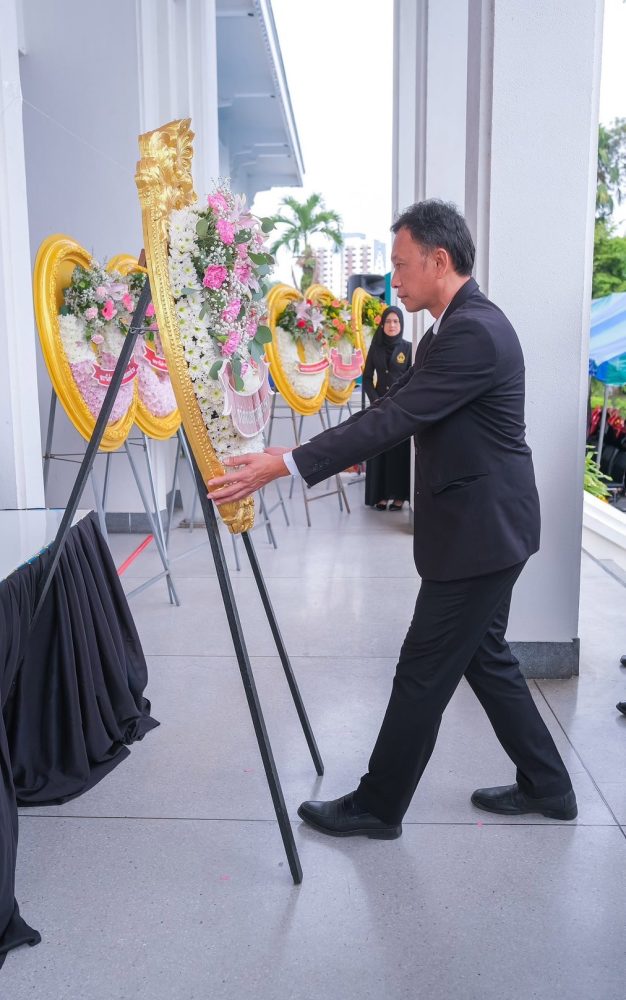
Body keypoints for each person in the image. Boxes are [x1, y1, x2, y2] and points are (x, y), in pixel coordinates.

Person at [207, 199, 577, 839]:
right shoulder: (445, 330)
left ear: (440, 260)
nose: (394, 281)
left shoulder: (473, 332)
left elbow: (397, 418)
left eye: (402, 266)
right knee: (485, 657)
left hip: (482, 533)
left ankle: (378, 806)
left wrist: (287, 466)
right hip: (489, 526)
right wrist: (295, 452)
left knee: (422, 670)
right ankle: (549, 786)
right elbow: (391, 408)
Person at [363, 306, 412, 511]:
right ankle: (380, 496)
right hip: (378, 408)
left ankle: (399, 496)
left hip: (400, 409)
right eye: (388, 321)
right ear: (382, 325)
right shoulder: (376, 348)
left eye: (396, 321)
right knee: (379, 451)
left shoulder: (408, 348)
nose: (392, 325)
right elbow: (366, 378)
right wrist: (376, 400)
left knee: (398, 453)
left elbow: (413, 378)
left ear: (401, 324)